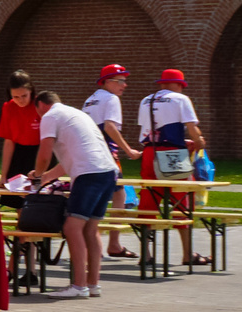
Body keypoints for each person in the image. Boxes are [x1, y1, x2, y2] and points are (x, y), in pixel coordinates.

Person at [27, 89, 120, 300]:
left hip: (89, 174)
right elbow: (71, 158)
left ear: (41, 105)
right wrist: (46, 177)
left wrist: (37, 175)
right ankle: (93, 284)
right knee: (91, 228)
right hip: (108, 172)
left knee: (72, 226)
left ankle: (79, 286)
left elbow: (44, 153)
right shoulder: (76, 114)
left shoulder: (50, 116)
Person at [137, 68, 209, 269]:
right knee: (182, 201)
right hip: (173, 155)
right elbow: (192, 127)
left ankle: (146, 254)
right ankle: (188, 254)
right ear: (179, 85)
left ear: (162, 83)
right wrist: (199, 142)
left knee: (148, 200)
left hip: (149, 153)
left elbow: (152, 131)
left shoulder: (146, 100)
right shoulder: (180, 99)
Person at [82, 65, 135, 261]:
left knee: (93, 196)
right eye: (120, 81)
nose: (124, 85)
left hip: (88, 153)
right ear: (107, 81)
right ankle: (113, 243)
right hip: (106, 155)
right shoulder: (112, 99)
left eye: (124, 80)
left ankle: (93, 243)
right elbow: (110, 127)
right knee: (119, 193)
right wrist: (128, 149)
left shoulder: (90, 100)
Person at [0, 71, 39, 184]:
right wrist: (3, 175)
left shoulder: (40, 106)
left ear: (31, 91)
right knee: (12, 194)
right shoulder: (8, 107)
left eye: (24, 96)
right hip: (18, 154)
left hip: (40, 151)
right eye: (16, 97)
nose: (20, 100)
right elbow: (8, 142)